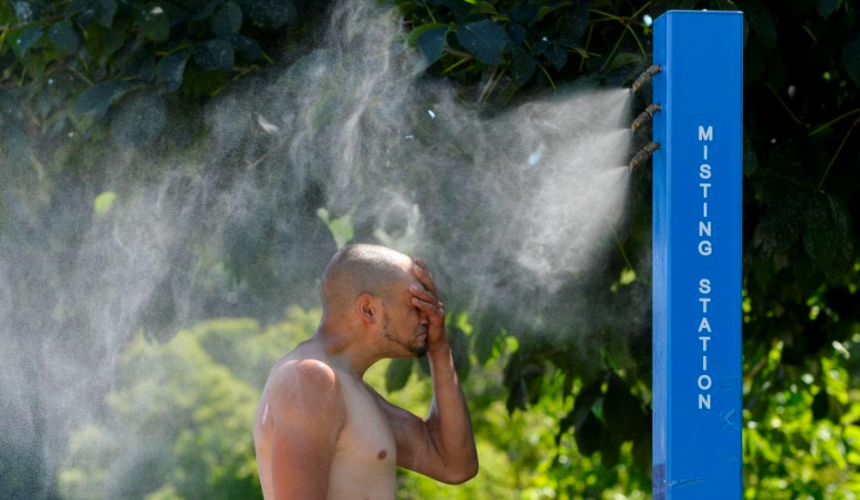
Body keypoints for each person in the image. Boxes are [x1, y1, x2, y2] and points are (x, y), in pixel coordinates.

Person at [253, 243, 479, 499]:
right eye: (416, 304)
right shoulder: (311, 379)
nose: (427, 316)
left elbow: (455, 463)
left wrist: (439, 348)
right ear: (368, 309)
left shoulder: (347, 388)